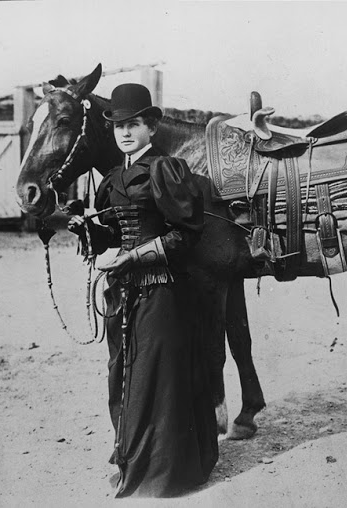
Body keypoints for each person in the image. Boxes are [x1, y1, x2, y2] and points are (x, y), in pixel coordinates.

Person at [67, 83, 218, 498]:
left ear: (151, 126)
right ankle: (131, 460)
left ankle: (166, 472)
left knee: (156, 377)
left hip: (163, 292)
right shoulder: (112, 177)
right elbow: (111, 236)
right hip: (122, 294)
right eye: (118, 126)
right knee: (123, 372)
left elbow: (187, 235)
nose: (125, 132)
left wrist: (133, 259)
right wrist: (87, 230)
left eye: (134, 124)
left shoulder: (166, 170)